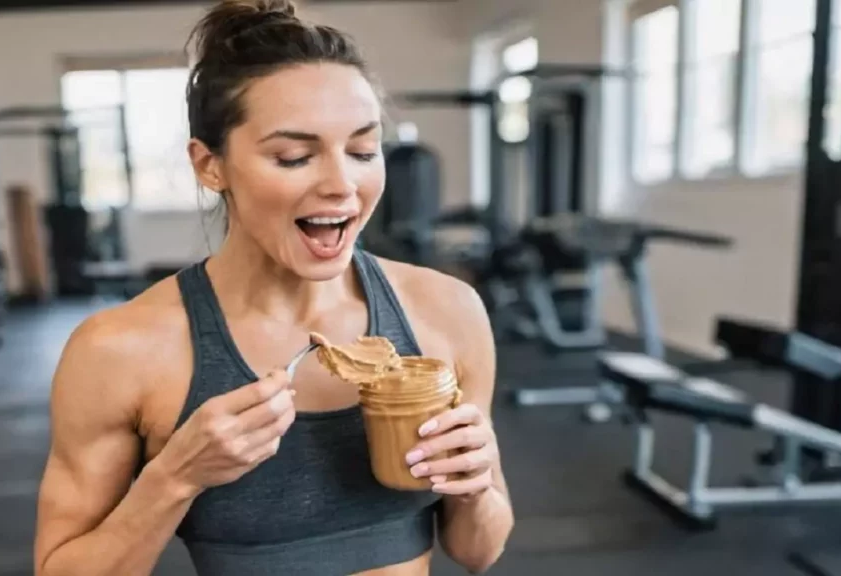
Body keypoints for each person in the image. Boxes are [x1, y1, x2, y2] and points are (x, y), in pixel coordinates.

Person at [33, 1, 514, 575]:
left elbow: (478, 551)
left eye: (363, 151)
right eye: (294, 157)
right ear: (210, 166)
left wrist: (475, 486)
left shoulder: (447, 310)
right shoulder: (120, 351)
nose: (343, 185)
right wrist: (174, 478)